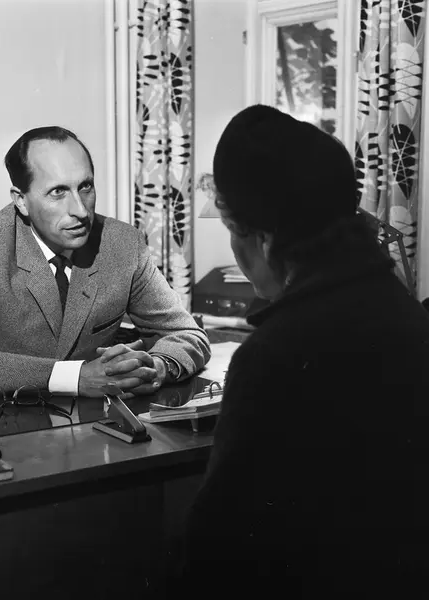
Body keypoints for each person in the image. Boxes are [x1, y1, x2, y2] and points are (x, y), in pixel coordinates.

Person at [176, 105, 429, 598]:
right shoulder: (409, 314)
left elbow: (219, 546)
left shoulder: (272, 355)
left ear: (265, 239)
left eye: (231, 229)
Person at [0, 126, 210, 397]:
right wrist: (76, 377)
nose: (80, 210)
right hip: (9, 417)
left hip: (99, 420)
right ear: (21, 201)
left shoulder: (124, 244)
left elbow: (188, 334)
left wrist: (156, 367)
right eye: (58, 192)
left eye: (85, 187)